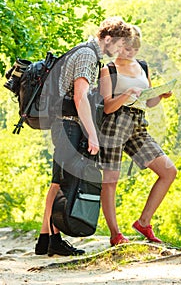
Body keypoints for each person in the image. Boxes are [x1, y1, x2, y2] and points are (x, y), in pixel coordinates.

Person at [35, 17, 133, 256]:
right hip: (69, 125)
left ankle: (46, 238)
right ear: (107, 39)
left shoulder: (85, 52)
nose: (119, 51)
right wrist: (92, 135)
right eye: (118, 45)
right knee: (62, 181)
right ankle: (52, 240)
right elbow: (79, 97)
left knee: (58, 181)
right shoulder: (88, 55)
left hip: (65, 124)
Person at [99, 26, 177, 246]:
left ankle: (144, 222)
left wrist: (160, 95)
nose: (131, 51)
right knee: (111, 180)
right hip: (115, 122)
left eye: (135, 47)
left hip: (138, 123)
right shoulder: (109, 69)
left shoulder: (143, 66)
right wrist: (125, 94)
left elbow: (149, 102)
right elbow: (107, 108)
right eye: (127, 46)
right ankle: (115, 235)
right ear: (119, 45)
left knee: (168, 171)